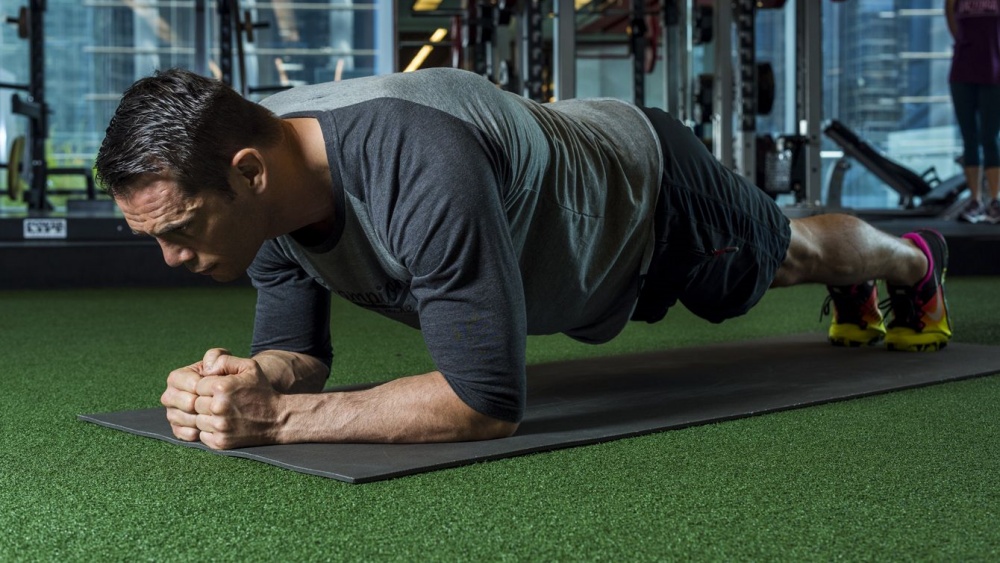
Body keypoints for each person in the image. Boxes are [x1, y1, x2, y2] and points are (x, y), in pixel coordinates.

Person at [94, 68, 953, 450]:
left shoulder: (413, 160)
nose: (172, 256)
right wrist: (248, 381)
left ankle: (910, 265)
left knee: (786, 255)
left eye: (182, 228)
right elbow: (303, 353)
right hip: (565, 217)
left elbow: (484, 401)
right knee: (787, 260)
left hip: (646, 193)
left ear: (247, 176)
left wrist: (275, 422)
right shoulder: (265, 166)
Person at [946, 0, 1000, 223]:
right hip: (962, 70)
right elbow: (951, 20)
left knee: (990, 137)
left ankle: (994, 201)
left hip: (995, 71)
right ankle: (975, 201)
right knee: (969, 138)